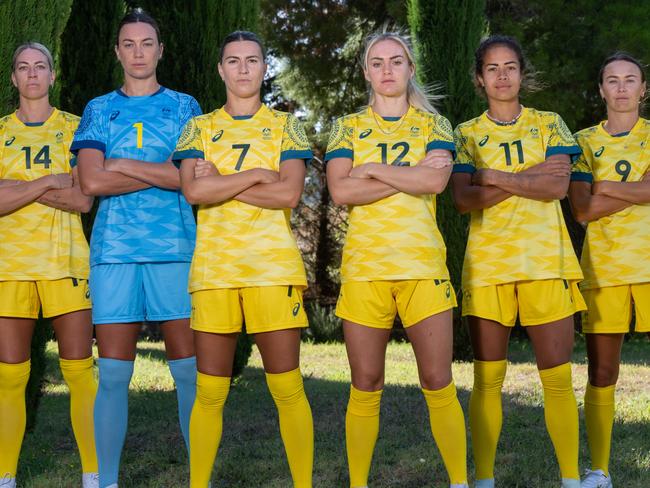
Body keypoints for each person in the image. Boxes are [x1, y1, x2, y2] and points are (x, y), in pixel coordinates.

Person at [325, 31, 468, 488]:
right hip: (365, 268)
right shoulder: (346, 127)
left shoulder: (436, 125)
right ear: (366, 72)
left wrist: (372, 170)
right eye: (378, 62)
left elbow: (437, 184)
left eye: (397, 61)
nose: (388, 70)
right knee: (365, 382)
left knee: (437, 380)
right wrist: (411, 175)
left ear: (410, 69)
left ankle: (460, 483)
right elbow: (341, 190)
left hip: (423, 266)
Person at [174, 31, 314, 488]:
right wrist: (256, 173)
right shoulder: (199, 128)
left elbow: (289, 193)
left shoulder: (286, 126)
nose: (242, 69)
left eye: (252, 60)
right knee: (211, 392)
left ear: (264, 67)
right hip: (214, 273)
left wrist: (225, 180)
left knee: (286, 387)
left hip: (273, 270)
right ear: (221, 70)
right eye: (232, 61)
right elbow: (195, 191)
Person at [72, 9, 200, 488]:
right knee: (111, 377)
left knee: (188, 374)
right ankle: (106, 482)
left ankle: (198, 477)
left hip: (175, 249)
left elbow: (187, 183)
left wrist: (121, 162)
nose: (139, 52)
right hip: (115, 254)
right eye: (130, 44)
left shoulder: (186, 107)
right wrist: (156, 171)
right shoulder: (99, 108)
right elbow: (89, 180)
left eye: (148, 43)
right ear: (118, 51)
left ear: (160, 50)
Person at [450, 35, 584, 488]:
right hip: (488, 266)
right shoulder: (464, 133)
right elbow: (464, 200)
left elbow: (557, 187)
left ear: (522, 74)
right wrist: (528, 176)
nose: (502, 76)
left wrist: (491, 176)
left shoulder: (550, 123)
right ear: (479, 77)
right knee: (487, 380)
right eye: (492, 68)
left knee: (557, 378)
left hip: (547, 263)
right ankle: (484, 481)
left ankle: (570, 479)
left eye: (510, 67)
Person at [0, 42, 97, 488]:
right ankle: (6, 476)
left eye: (41, 67)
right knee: (9, 377)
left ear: (53, 76)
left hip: (67, 263)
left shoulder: (78, 129)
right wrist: (48, 181)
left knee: (80, 372)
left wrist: (16, 188)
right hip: (10, 267)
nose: (33, 75)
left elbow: (81, 198)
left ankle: (93, 475)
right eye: (24, 68)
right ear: (14, 78)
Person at [568, 52, 649, 488]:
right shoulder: (581, 142)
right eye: (612, 80)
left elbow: (596, 197)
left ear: (643, 89)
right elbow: (581, 209)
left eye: (630, 79)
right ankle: (599, 469)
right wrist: (640, 190)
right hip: (603, 269)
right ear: (601, 90)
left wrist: (606, 188)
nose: (621, 88)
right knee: (602, 372)